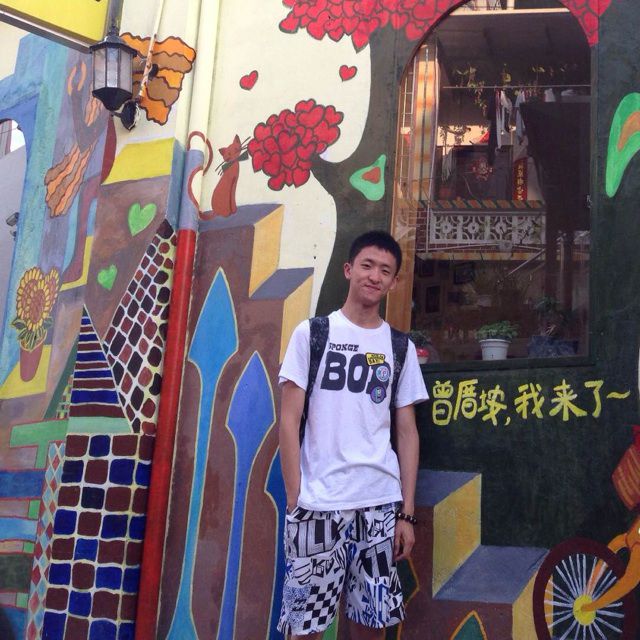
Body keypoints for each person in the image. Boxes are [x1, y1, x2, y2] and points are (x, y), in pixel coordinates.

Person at [277, 230, 429, 638]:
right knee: (304, 627)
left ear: (394, 282)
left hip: (378, 505)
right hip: (317, 504)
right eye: (367, 265)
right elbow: (288, 419)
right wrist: (295, 497)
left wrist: (406, 513)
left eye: (386, 270)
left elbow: (407, 433)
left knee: (371, 625)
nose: (375, 276)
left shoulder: (399, 348)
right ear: (348, 270)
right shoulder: (312, 334)